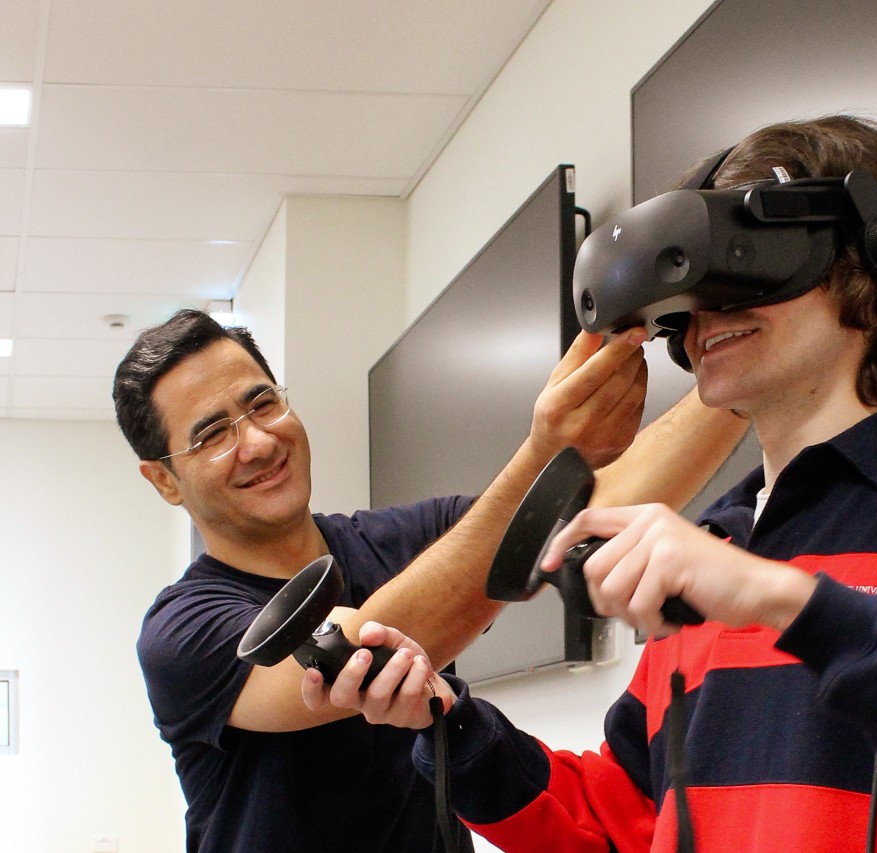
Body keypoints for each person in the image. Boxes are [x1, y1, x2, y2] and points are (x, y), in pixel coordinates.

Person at [308, 115, 877, 852]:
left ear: (871, 261)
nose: (710, 311)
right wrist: (452, 725)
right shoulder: (714, 544)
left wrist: (784, 600)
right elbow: (628, 820)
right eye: (695, 290)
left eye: (748, 264)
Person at [113, 308, 748, 853]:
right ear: (164, 479)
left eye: (262, 403)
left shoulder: (404, 540)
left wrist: (743, 373)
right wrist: (539, 457)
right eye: (213, 435)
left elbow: (595, 506)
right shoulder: (180, 631)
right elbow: (348, 660)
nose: (256, 442)